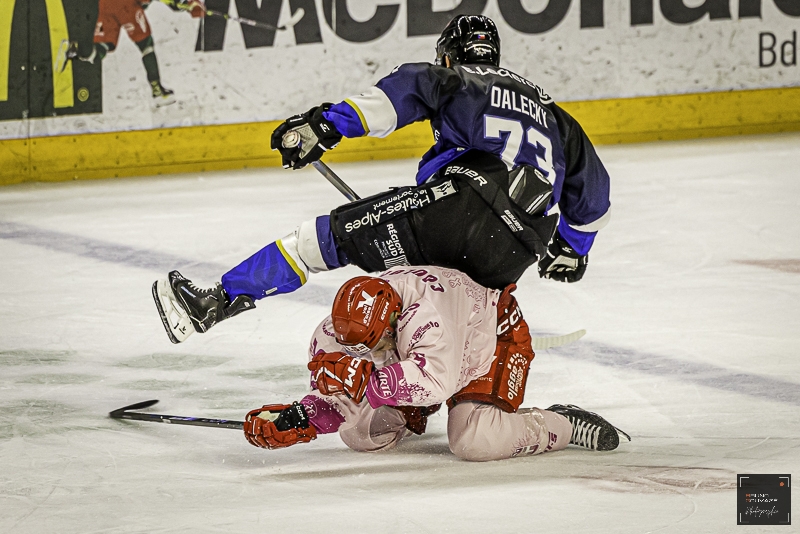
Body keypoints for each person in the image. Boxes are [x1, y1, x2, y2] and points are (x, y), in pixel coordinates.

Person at [152, 14, 611, 344]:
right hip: (519, 249)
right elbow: (592, 193)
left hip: (460, 206)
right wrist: (571, 250)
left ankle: (214, 301)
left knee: (320, 241)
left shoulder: (456, 80)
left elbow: (404, 91)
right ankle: (422, 398)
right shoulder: (554, 114)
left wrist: (324, 126)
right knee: (441, 308)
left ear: (449, 56)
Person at [240, 268, 629, 460]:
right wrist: (300, 418)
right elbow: (344, 398)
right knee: (360, 435)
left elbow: (435, 381)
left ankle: (560, 422)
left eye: (372, 343)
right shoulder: (333, 332)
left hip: (490, 340)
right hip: (425, 362)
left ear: (393, 318)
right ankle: (408, 418)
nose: (362, 352)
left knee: (473, 441)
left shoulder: (428, 316)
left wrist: (370, 381)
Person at [63, 0, 203, 106]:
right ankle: (157, 91)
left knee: (104, 45)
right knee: (146, 45)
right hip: (127, 5)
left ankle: (81, 50)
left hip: (105, 4)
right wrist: (188, 5)